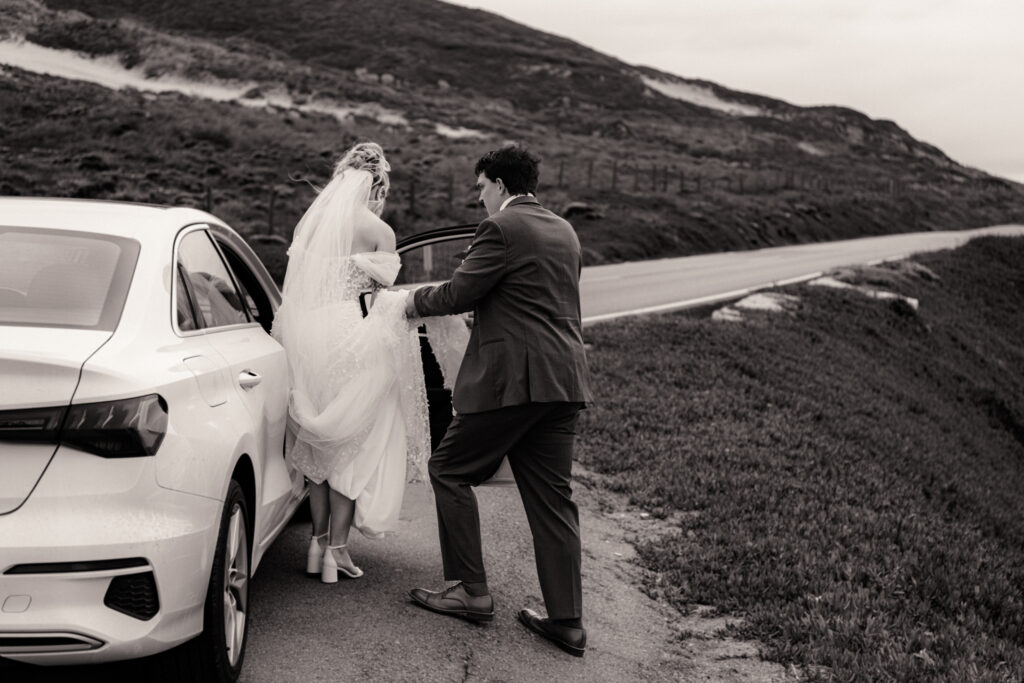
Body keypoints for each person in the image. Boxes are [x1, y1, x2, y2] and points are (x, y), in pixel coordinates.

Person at [405, 146, 593, 657]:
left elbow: (459, 293)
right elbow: (533, 299)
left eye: (481, 186)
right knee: (553, 501)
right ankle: (567, 622)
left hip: (514, 382)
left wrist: (408, 301)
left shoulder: (501, 229)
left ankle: (470, 591)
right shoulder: (563, 230)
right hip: (564, 381)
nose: (479, 196)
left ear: (502, 186)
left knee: (448, 468)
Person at [272, 142, 432, 583]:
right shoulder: (379, 230)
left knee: (320, 442)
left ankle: (316, 544)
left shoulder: (314, 224)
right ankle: (337, 552)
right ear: (378, 183)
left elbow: (301, 288)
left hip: (310, 335)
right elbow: (377, 295)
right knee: (353, 445)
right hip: (353, 334)